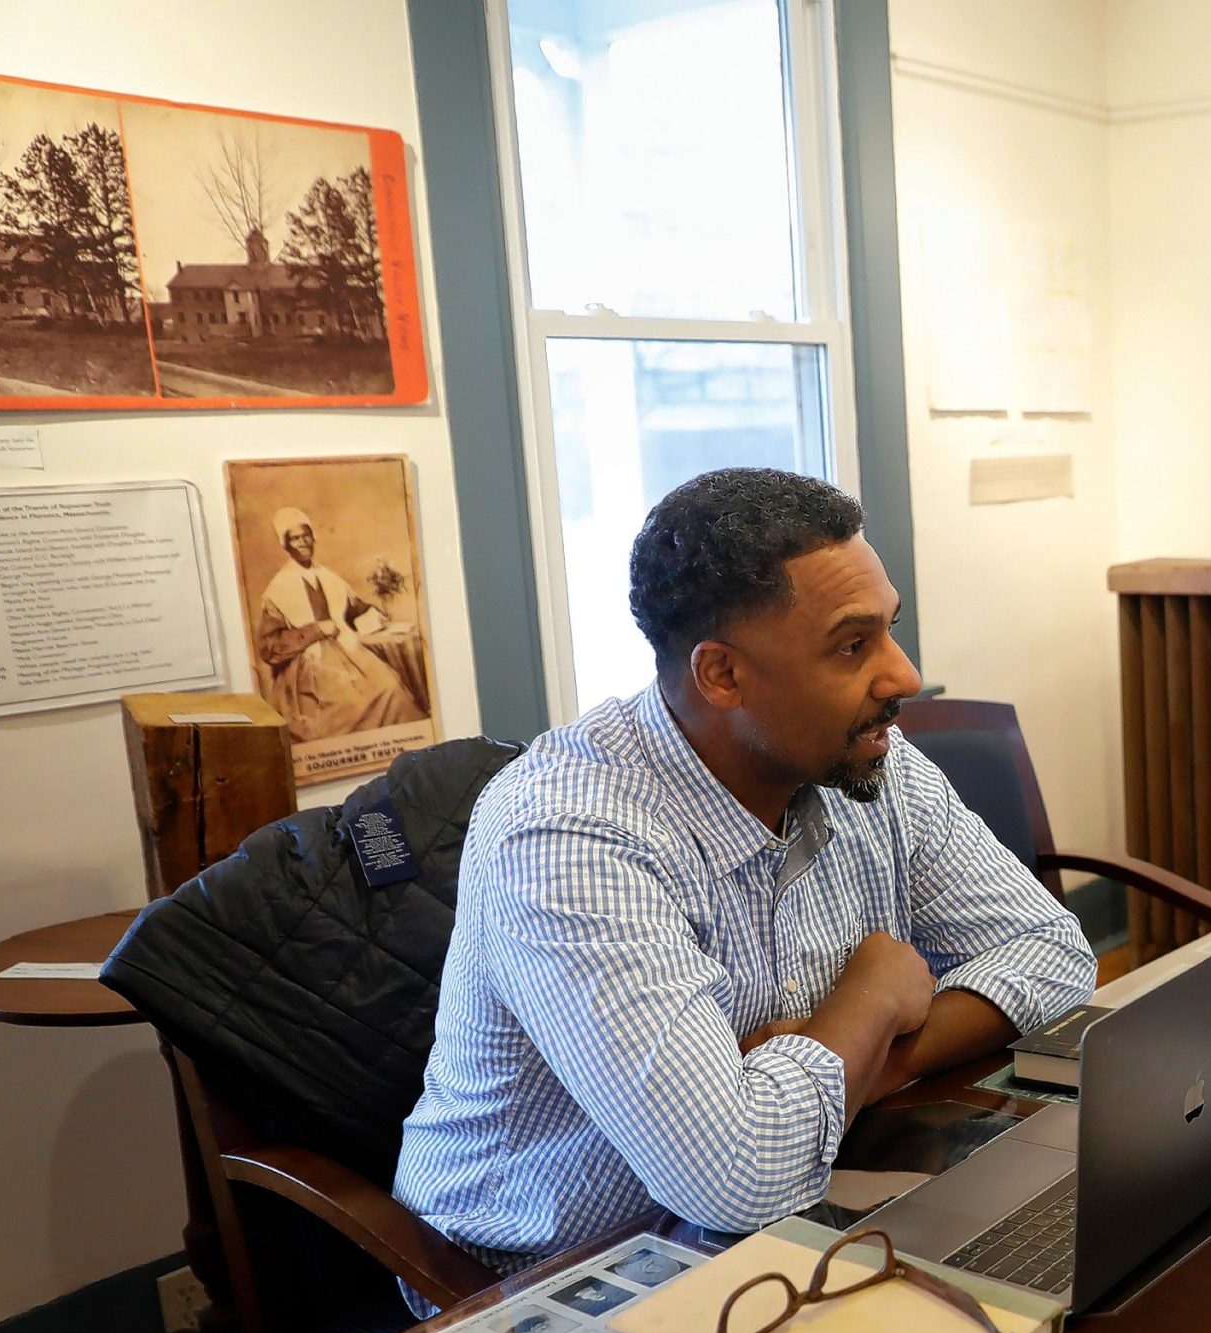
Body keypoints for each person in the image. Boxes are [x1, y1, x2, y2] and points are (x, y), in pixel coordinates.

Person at [394, 469, 1096, 1277]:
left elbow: (1052, 949)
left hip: (787, 1206)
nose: (903, 676)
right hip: (544, 1279)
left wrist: (865, 1056)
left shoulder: (863, 758)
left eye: (890, 629)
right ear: (722, 675)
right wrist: (872, 990)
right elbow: (735, 1174)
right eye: (852, 645)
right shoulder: (567, 833)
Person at [252, 506, 420, 742]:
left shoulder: (330, 578)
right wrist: (315, 630)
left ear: (313, 538)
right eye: (295, 538)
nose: (302, 543)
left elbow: (354, 610)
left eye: (306, 536)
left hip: (348, 654)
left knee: (390, 688)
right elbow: (268, 648)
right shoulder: (278, 590)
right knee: (350, 704)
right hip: (307, 667)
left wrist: (375, 614)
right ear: (286, 545)